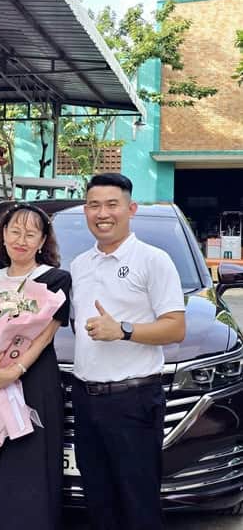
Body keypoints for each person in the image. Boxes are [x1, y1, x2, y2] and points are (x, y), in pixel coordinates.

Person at [70, 173, 186, 530]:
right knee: (98, 503)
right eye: (93, 205)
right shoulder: (79, 265)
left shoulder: (153, 260)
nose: (102, 213)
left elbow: (176, 328)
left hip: (132, 401)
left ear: (130, 209)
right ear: (85, 211)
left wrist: (123, 330)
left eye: (112, 204)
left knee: (138, 506)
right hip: (84, 398)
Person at [0, 203, 71, 530]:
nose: (21, 240)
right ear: (3, 235)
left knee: (26, 464)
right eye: (15, 231)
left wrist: (13, 372)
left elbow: (44, 336)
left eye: (30, 234)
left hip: (32, 380)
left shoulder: (55, 280)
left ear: (42, 240)